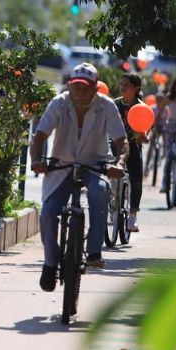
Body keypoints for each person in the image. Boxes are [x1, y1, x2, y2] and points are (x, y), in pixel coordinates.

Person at [30, 63, 127, 292]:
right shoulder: (59, 103)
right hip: (61, 166)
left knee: (100, 192)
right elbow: (40, 135)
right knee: (48, 212)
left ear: (95, 88)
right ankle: (50, 262)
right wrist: (36, 160)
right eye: (76, 87)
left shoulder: (107, 106)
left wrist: (119, 163)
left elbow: (122, 142)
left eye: (86, 88)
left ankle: (94, 251)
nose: (80, 93)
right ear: (69, 86)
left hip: (96, 164)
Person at [113, 74, 146, 232]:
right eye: (122, 84)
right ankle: (110, 200)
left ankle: (133, 214)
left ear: (136, 88)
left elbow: (144, 128)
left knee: (136, 177)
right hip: (114, 145)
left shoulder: (141, 107)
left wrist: (143, 136)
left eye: (127, 85)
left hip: (132, 146)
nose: (123, 87)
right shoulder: (114, 105)